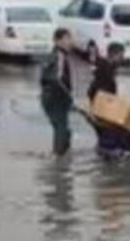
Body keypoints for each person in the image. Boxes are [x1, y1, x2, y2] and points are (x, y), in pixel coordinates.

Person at [39, 28, 74, 157]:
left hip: (48, 96)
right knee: (61, 128)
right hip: (56, 96)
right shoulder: (59, 55)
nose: (70, 42)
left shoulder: (52, 55)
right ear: (57, 41)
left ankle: (62, 153)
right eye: (67, 39)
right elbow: (57, 79)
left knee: (61, 127)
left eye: (70, 39)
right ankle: (59, 158)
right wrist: (69, 97)